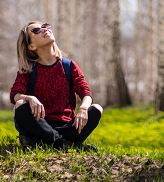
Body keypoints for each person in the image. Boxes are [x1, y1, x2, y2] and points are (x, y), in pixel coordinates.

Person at [10, 21, 103, 150]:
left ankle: (42, 142)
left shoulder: (69, 66)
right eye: (36, 30)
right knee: (20, 105)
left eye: (45, 26)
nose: (44, 30)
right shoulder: (28, 69)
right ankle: (67, 145)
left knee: (96, 109)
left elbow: (86, 93)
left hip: (67, 126)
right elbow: (15, 95)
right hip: (39, 125)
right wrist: (29, 98)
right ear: (31, 46)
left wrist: (83, 109)